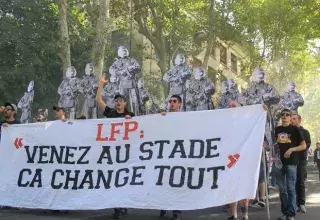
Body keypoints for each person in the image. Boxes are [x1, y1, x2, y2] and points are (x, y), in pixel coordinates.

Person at [96, 73, 133, 219]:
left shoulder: (130, 115)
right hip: (111, 152)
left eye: (121, 100)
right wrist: (100, 85)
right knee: (113, 179)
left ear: (125, 103)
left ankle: (123, 204)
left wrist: (130, 120)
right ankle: (117, 206)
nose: (118, 102)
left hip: (125, 152)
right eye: (116, 100)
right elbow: (98, 99)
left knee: (123, 179)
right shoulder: (110, 113)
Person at [274, 109, 306, 220]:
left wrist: (292, 149)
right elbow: (271, 145)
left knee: (291, 188)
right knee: (282, 190)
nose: (284, 116)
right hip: (278, 163)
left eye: (287, 115)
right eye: (282, 114)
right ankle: (285, 212)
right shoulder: (276, 130)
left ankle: (291, 214)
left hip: (292, 163)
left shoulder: (295, 129)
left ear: (290, 117)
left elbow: (303, 146)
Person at [159, 95, 183, 220]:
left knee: (177, 183)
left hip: (179, 155)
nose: (171, 103)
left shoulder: (186, 118)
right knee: (164, 181)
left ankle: (176, 210)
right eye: (170, 101)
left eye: (174, 101)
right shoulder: (164, 116)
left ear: (180, 104)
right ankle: (163, 206)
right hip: (166, 154)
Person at [291, 114, 311, 213]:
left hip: (301, 160)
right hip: (291, 160)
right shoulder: (289, 132)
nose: (292, 120)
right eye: (291, 119)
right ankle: (293, 204)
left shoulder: (305, 132)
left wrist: (297, 149)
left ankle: (301, 203)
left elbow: (307, 144)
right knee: (292, 182)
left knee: (301, 181)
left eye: (294, 119)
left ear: (299, 120)